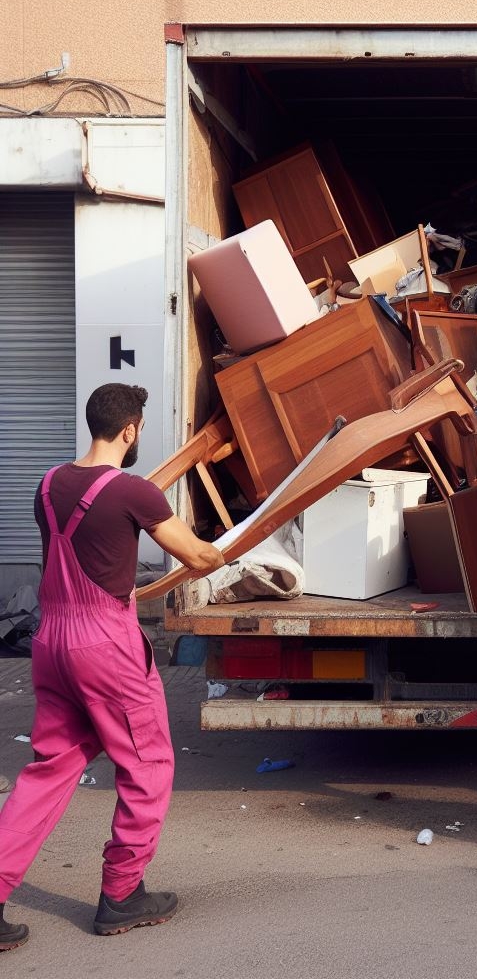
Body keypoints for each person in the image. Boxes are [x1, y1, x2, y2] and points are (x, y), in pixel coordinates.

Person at [0, 384, 224, 951]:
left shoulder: (47, 484)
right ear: (130, 431)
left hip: (52, 640)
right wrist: (222, 552)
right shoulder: (133, 491)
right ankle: (121, 895)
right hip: (106, 645)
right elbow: (196, 555)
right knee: (147, 763)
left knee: (50, 768)